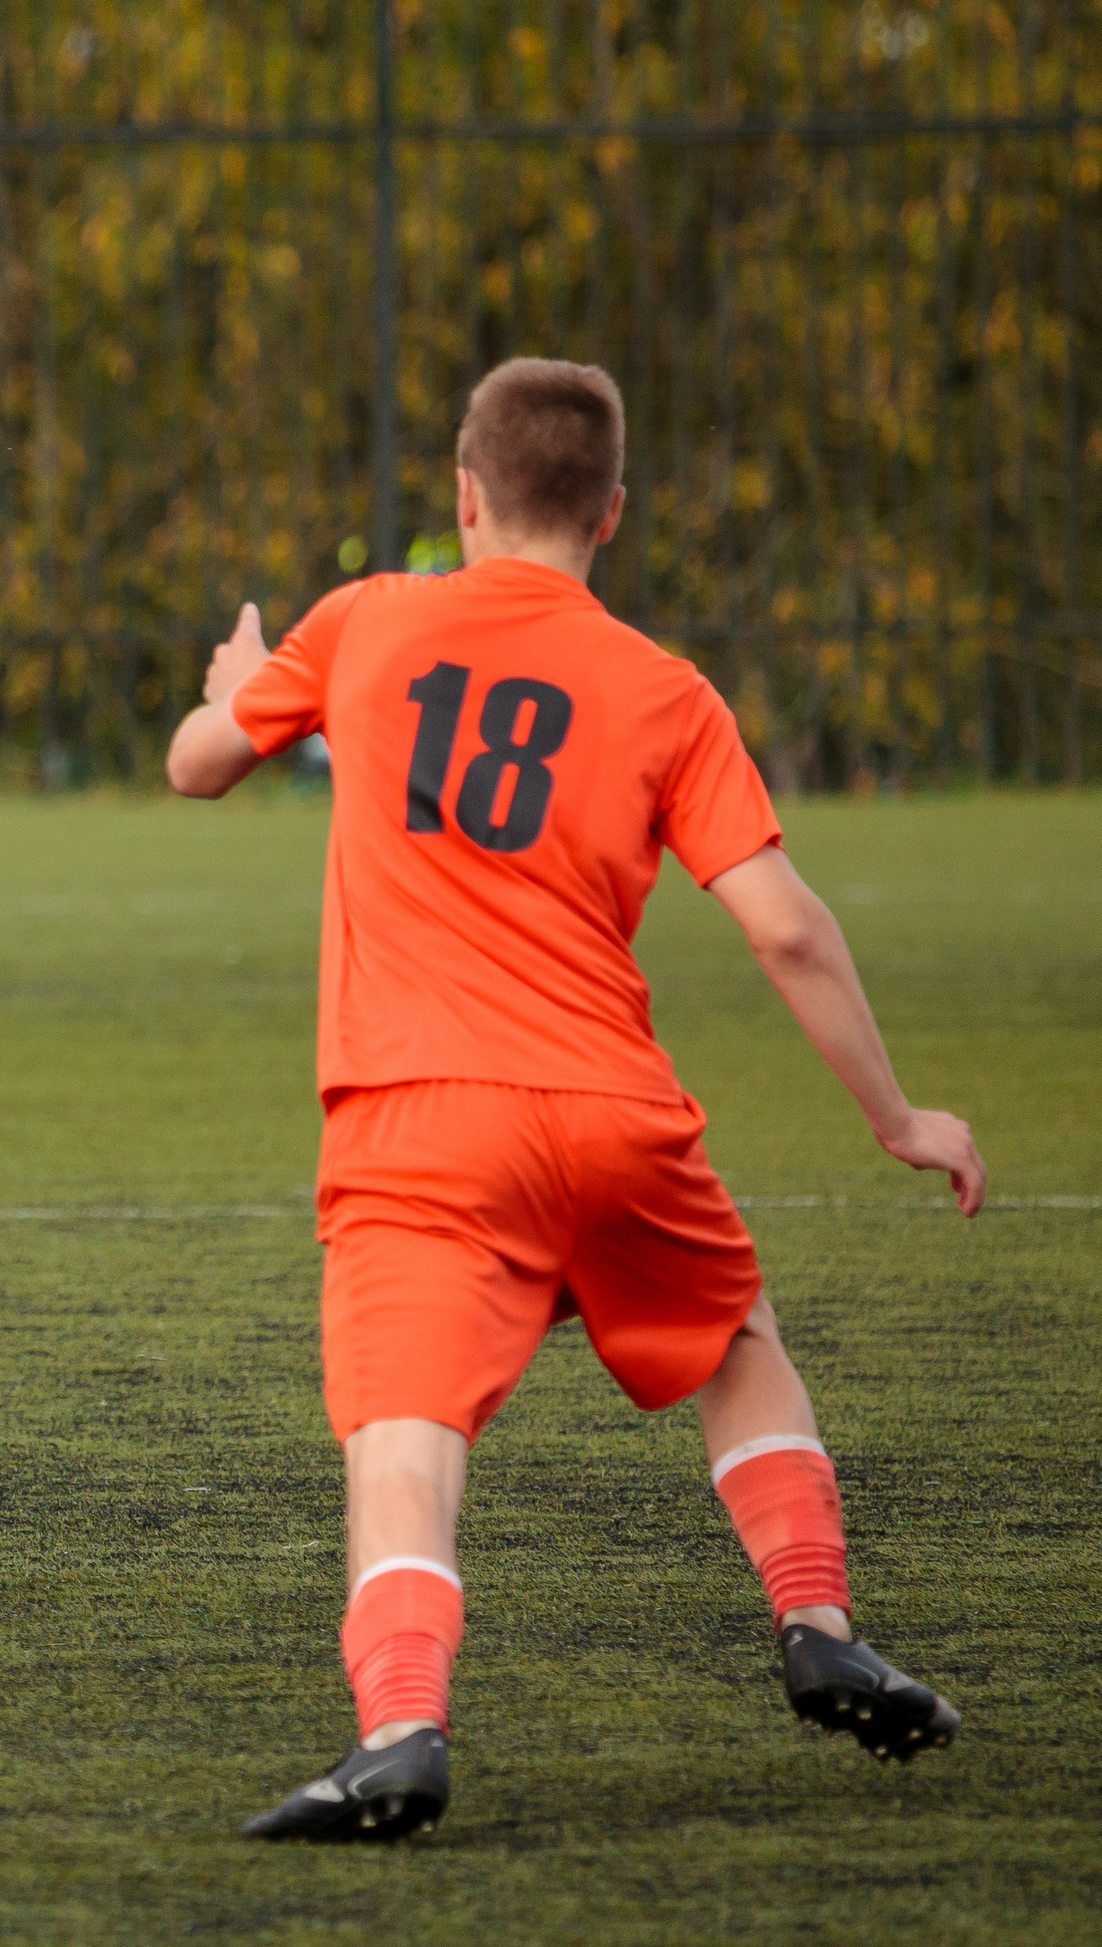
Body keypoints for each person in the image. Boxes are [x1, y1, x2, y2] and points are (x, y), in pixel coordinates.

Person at [165, 358, 981, 1841]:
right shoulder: (667, 689)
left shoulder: (365, 622)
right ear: (612, 510)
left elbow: (197, 765)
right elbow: (787, 924)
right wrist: (899, 1115)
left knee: (406, 1436)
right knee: (737, 1342)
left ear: (462, 497)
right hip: (614, 1110)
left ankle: (402, 1727)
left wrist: (239, 691)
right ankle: (815, 1622)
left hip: (421, 1119)